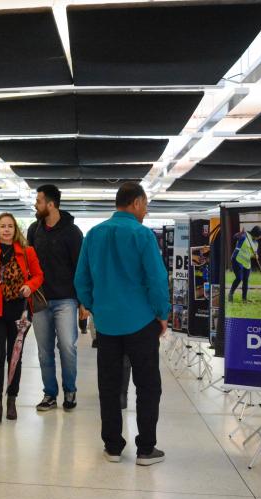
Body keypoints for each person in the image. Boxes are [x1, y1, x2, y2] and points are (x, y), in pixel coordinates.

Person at [75, 182, 170, 466]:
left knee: (109, 384)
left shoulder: (93, 234)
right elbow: (156, 279)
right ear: (137, 202)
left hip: (106, 325)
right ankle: (146, 449)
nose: (147, 210)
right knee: (148, 385)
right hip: (141, 321)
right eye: (146, 204)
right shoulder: (142, 235)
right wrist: (161, 314)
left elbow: (81, 279)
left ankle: (113, 446)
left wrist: (96, 305)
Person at [26, 184, 84, 412]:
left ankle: (70, 390)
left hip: (66, 299)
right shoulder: (34, 230)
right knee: (43, 350)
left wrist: (83, 302)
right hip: (40, 300)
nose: (36, 205)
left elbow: (80, 268)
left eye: (38, 201)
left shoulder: (72, 232)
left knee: (68, 346)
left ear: (50, 204)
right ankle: (49, 394)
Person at [0, 213, 43, 426]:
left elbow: (38, 275)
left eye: (10, 226)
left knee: (15, 359)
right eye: (2, 226)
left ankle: (12, 400)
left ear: (15, 229)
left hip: (20, 313)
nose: (6, 230)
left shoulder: (27, 252)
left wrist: (30, 286)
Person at [228, 225, 261, 302]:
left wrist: (255, 256)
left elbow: (253, 253)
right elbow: (235, 237)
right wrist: (239, 234)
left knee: (245, 280)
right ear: (256, 234)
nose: (260, 237)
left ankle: (244, 299)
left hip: (246, 263)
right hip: (237, 259)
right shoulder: (245, 236)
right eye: (260, 235)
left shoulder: (256, 243)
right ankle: (230, 294)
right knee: (239, 278)